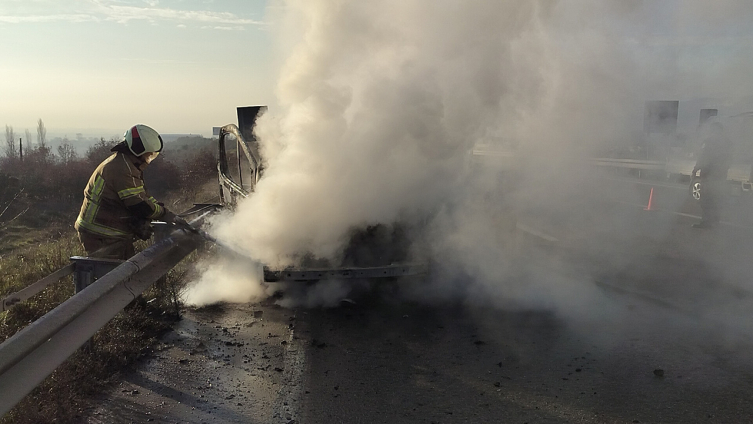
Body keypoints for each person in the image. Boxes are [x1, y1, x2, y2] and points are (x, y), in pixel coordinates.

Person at [75, 124, 188, 258]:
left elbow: (143, 197)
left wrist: (164, 212)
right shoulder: (121, 168)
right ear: (138, 150)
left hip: (110, 232)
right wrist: (165, 215)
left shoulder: (129, 165)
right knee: (114, 276)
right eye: (149, 153)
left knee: (127, 272)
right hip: (100, 233)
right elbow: (139, 205)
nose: (150, 156)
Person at [691, 122, 732, 228]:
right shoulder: (727, 142)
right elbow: (729, 159)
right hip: (720, 175)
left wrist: (696, 169)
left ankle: (706, 222)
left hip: (708, 174)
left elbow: (703, 157)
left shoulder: (710, 142)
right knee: (716, 198)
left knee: (706, 198)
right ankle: (715, 221)